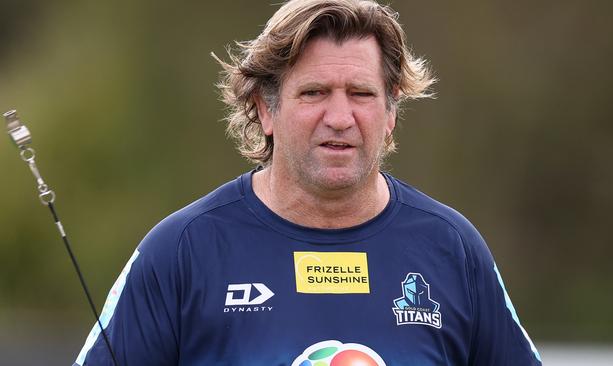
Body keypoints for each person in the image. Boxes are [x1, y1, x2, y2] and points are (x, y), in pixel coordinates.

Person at [74, 0, 542, 365]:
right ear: (265, 108)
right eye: (314, 93)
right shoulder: (182, 251)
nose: (340, 118)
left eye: (361, 94)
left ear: (392, 110)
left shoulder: (453, 249)